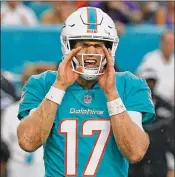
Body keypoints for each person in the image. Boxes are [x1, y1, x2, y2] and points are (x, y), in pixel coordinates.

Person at [17, 7, 155, 177]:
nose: (91, 52)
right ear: (69, 46)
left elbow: (135, 152)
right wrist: (58, 88)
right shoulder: (43, 83)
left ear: (110, 48)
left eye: (98, 45)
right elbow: (28, 142)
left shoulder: (129, 85)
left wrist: (112, 94)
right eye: (83, 44)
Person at [1, 64, 56, 177]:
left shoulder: (55, 109)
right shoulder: (10, 111)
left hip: (45, 166)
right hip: (17, 167)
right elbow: (5, 141)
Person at [129, 68, 174, 177]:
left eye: (152, 82)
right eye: (146, 81)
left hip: (158, 162)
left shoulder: (165, 107)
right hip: (135, 162)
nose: (149, 85)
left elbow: (171, 137)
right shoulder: (129, 104)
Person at [137, 30, 174, 106]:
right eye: (167, 43)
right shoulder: (150, 58)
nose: (169, 46)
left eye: (172, 43)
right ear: (161, 43)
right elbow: (141, 82)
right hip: (154, 104)